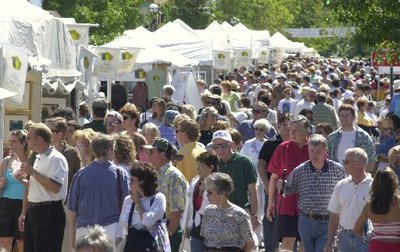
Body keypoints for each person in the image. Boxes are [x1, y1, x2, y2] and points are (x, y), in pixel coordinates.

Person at [277, 134, 345, 252]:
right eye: (312, 151)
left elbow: (344, 192)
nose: (314, 154)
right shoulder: (300, 170)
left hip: (328, 221)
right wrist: (281, 186)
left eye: (318, 151)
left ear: (325, 151)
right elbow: (288, 190)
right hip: (306, 221)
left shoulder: (337, 169)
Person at [67, 133, 130, 247]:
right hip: (112, 230)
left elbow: (72, 209)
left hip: (84, 229)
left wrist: (72, 233)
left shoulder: (81, 174)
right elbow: (127, 206)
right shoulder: (120, 174)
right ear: (111, 150)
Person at [20, 123, 69, 252]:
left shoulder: (56, 159)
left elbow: (55, 187)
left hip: (49, 212)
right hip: (35, 210)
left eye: (29, 138)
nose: (27, 141)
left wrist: (33, 173)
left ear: (40, 139)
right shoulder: (38, 157)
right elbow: (39, 187)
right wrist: (23, 180)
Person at [267, 115, 311, 251]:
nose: (292, 133)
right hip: (286, 204)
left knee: (305, 244)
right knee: (286, 244)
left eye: (296, 130)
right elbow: (274, 177)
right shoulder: (282, 148)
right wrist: (270, 203)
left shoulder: (315, 148)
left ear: (307, 131)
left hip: (308, 206)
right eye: (290, 129)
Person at [324, 147, 372, 252]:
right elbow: (334, 215)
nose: (343, 164)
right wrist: (330, 241)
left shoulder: (374, 186)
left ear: (359, 164)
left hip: (365, 237)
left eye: (346, 161)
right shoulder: (341, 185)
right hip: (343, 237)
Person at [211, 130, 260, 232]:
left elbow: (253, 191)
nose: (220, 149)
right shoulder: (214, 164)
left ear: (231, 144)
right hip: (220, 213)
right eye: (216, 146)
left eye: (223, 145)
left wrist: (254, 215)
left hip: (242, 212)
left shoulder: (245, 162)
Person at [144, 138, 188, 252]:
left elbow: (176, 211)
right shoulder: (157, 173)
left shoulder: (173, 176)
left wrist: (167, 236)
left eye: (151, 152)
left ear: (162, 155)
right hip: (156, 228)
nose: (148, 155)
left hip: (168, 229)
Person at [116, 163, 170, 251]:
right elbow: (121, 229)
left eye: (132, 180)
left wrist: (137, 203)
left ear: (142, 182)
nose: (129, 183)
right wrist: (118, 246)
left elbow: (148, 222)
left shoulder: (158, 198)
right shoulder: (128, 200)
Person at [258, 113, 291, 252]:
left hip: (290, 191)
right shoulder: (270, 144)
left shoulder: (298, 145)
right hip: (272, 189)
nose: (287, 129)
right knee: (270, 221)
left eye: (290, 126)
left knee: (288, 223)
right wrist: (266, 184)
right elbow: (261, 165)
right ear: (278, 126)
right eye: (284, 125)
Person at [201, 172, 254, 252]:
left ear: (222, 193)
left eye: (210, 192)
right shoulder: (208, 211)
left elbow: (249, 242)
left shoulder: (239, 214)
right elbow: (205, 237)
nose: (206, 195)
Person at [354, 168, 400, 251]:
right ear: (394, 182)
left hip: (376, 246)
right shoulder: (398, 203)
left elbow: (356, 229)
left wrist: (368, 239)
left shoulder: (369, 205)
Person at [0, 130, 30, 252]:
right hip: (6, 204)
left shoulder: (30, 161)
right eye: (10, 141)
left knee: (22, 242)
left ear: (23, 144)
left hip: (23, 204)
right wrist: (1, 183)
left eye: (14, 141)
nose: (11, 144)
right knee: (3, 243)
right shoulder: (6, 161)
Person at [184, 149, 219, 252]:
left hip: (214, 227)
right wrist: (188, 225)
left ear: (211, 167)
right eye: (197, 165)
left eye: (202, 166)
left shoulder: (219, 183)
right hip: (197, 226)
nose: (198, 168)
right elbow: (190, 206)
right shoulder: (195, 181)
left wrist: (208, 189)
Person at [327, 104, 377, 171]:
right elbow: (328, 157)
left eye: (347, 115)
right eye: (342, 116)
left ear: (353, 117)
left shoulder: (364, 136)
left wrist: (362, 176)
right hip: (336, 176)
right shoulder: (332, 137)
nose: (344, 118)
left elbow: (372, 159)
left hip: (357, 177)